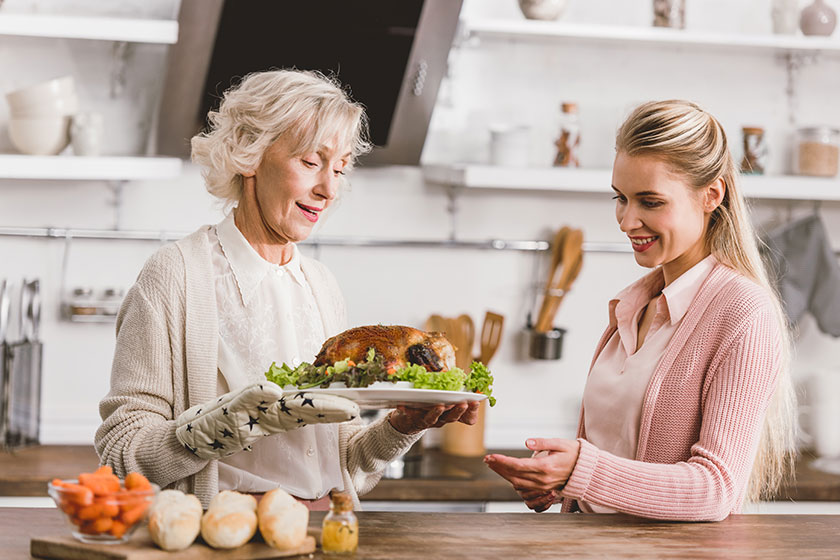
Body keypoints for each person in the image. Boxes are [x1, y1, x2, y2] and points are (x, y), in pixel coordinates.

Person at [95, 69, 479, 510]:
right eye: (312, 163)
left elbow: (342, 461)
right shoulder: (176, 275)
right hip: (227, 534)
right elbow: (122, 453)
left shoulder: (320, 284)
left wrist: (400, 427)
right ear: (249, 154)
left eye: (340, 167)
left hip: (329, 529)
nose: (329, 188)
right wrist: (231, 422)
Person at [485, 100, 797, 521]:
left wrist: (581, 470)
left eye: (650, 202)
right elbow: (616, 460)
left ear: (712, 195)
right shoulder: (633, 305)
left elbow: (716, 489)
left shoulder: (744, 313)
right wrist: (561, 482)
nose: (627, 221)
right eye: (621, 198)